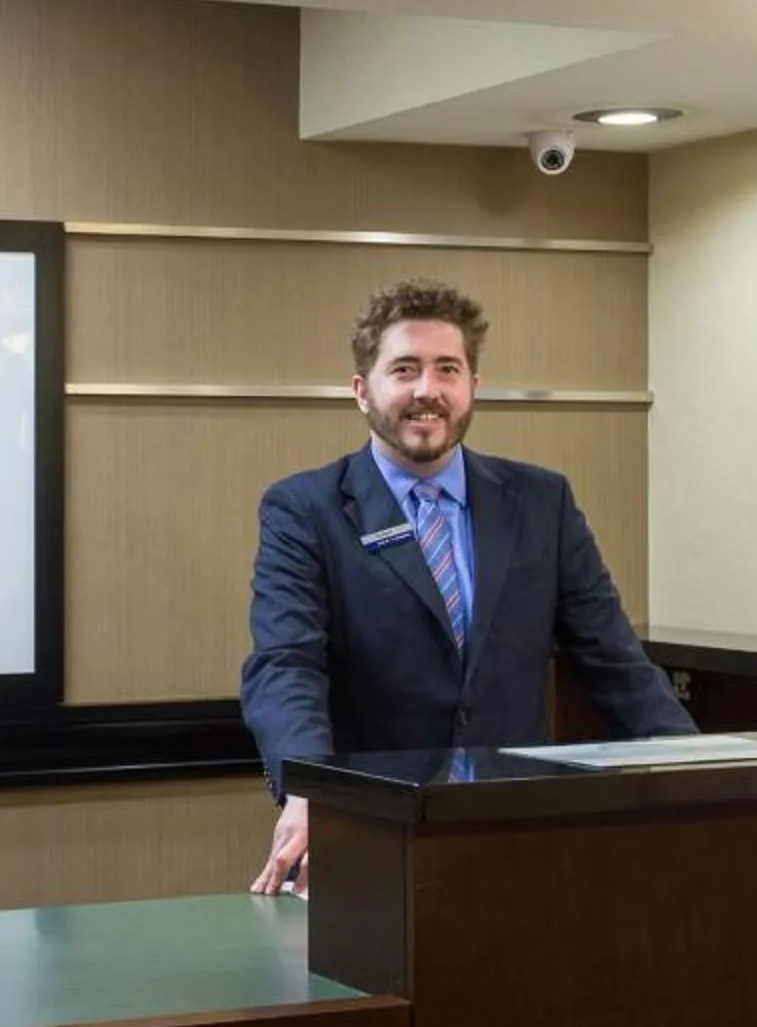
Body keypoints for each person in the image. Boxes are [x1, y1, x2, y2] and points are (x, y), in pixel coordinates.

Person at [240, 280, 692, 893]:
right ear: (361, 390)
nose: (427, 390)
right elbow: (285, 665)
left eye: (446, 369)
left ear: (472, 387)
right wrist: (313, 791)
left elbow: (614, 660)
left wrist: (701, 769)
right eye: (404, 369)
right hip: (368, 834)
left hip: (516, 837)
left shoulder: (540, 502)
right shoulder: (306, 510)